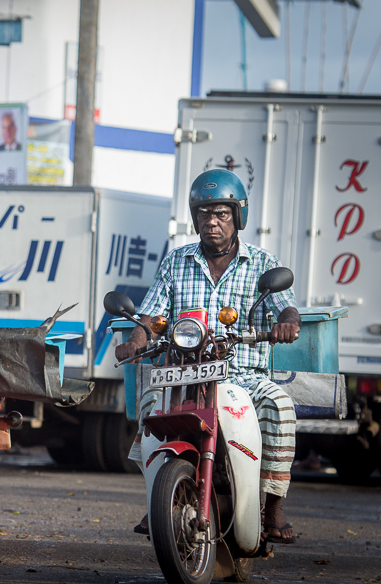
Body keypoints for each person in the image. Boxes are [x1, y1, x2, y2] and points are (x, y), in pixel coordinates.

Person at [115, 169, 300, 544]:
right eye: (203, 213)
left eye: (221, 214)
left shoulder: (262, 263)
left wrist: (287, 323)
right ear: (194, 216)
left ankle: (273, 507)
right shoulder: (176, 261)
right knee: (150, 405)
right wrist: (136, 339)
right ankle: (158, 496)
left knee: (279, 405)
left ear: (238, 217)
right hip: (184, 374)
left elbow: (286, 308)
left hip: (242, 375)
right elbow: (152, 315)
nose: (211, 222)